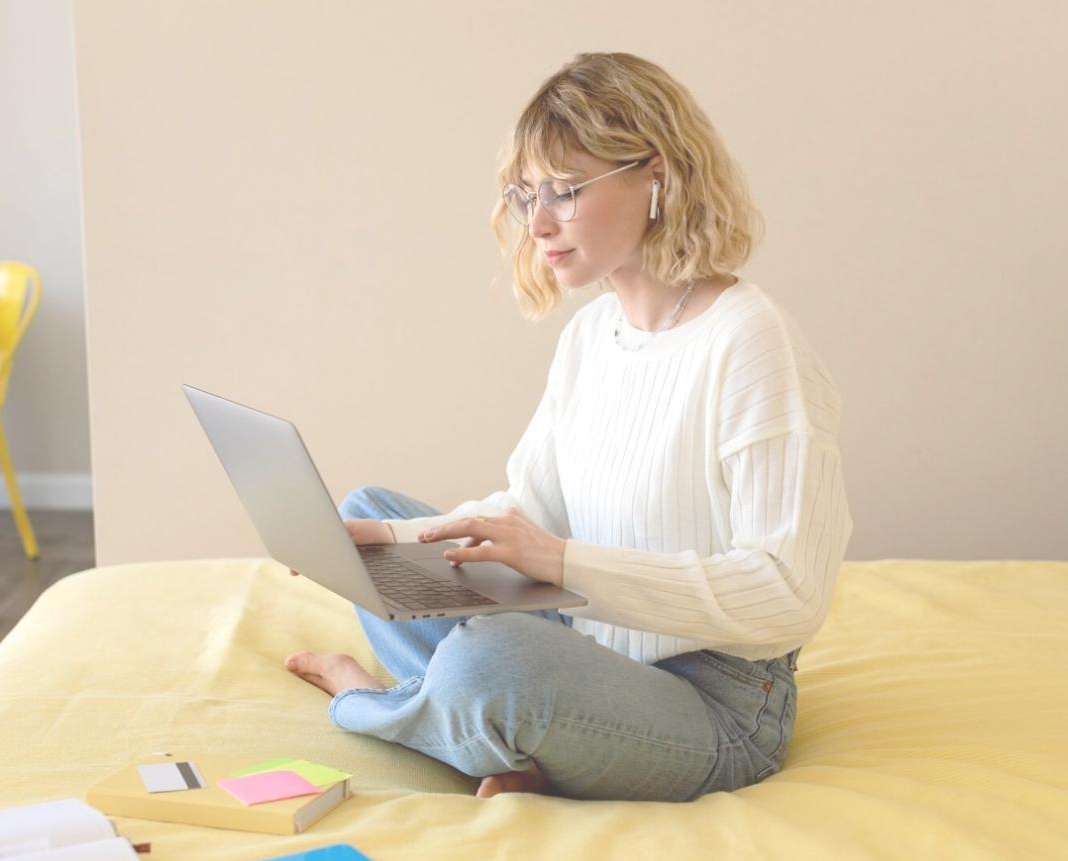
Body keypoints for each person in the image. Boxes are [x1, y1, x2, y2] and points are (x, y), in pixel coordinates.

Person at [285, 52, 853, 803]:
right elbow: (532, 513)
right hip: (589, 647)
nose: (539, 222)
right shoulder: (593, 336)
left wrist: (564, 564)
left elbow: (790, 591)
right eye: (526, 196)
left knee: (491, 667)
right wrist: (384, 549)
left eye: (564, 191)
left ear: (657, 176)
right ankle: (521, 740)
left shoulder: (750, 342)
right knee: (369, 513)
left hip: (718, 705)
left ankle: (375, 702)